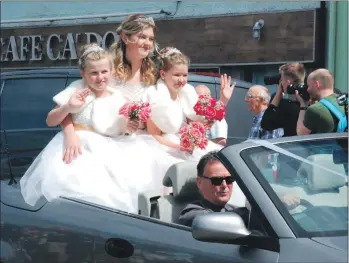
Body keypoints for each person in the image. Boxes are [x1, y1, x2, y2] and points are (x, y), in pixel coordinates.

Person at [19, 44, 134, 211]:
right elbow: (51, 120)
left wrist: (131, 127)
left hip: (108, 152)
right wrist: (68, 109)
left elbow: (121, 131)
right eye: (94, 73)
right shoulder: (77, 89)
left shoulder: (119, 98)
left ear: (112, 71)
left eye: (104, 72)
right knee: (79, 193)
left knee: (113, 196)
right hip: (78, 150)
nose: (100, 77)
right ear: (84, 75)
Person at [61, 14, 159, 164]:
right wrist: (70, 135)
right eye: (142, 37)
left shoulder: (153, 75)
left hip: (143, 147)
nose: (147, 43)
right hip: (105, 149)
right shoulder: (104, 70)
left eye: (151, 39)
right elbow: (70, 106)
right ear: (126, 38)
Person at [178, 151, 300, 227]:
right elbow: (209, 221)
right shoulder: (191, 212)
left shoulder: (233, 209)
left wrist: (279, 206)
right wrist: (270, 207)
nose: (225, 185)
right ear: (199, 182)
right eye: (216, 180)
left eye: (230, 179)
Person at [261, 63, 306, 137]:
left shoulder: (286, 106)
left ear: (287, 83)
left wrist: (277, 96)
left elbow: (266, 124)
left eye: (281, 79)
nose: (279, 82)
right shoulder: (309, 100)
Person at [296, 69, 346, 135]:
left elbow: (301, 133)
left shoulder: (315, 109)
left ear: (317, 84)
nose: (307, 90)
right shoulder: (345, 100)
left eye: (308, 86)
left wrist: (303, 105)